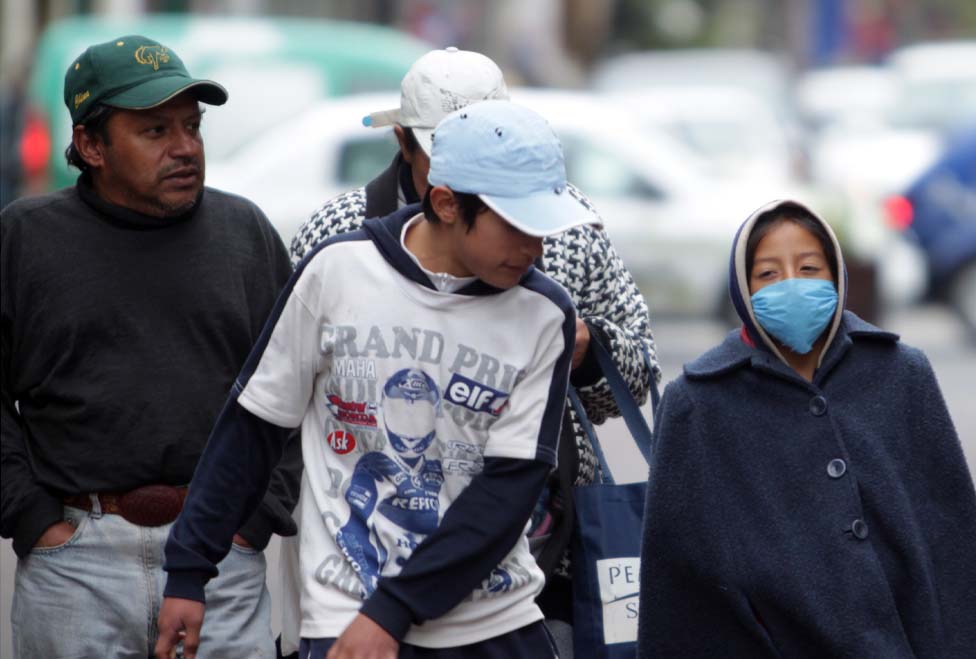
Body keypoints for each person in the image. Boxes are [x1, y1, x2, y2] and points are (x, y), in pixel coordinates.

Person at [155, 99, 602, 659]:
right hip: (346, 619)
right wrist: (190, 569)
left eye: (545, 229)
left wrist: (391, 611)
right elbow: (252, 431)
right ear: (446, 203)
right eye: (517, 226)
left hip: (490, 624)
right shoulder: (337, 271)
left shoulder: (544, 313)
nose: (534, 249)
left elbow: (506, 494)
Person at [288, 47, 660, 657]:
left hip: (539, 554)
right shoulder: (337, 238)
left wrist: (586, 349)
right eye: (441, 148)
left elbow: (639, 374)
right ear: (403, 142)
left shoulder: (564, 226)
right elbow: (278, 400)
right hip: (362, 572)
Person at [0, 35, 301, 658]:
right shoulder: (26, 239)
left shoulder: (244, 234)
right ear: (91, 145)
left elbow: (297, 388)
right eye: (155, 130)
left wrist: (253, 522)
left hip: (219, 560)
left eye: (192, 126)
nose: (185, 147)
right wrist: (32, 518)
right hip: (74, 568)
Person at [637, 199, 976, 658]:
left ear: (837, 276)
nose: (791, 285)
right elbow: (678, 583)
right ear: (742, 288)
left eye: (809, 268)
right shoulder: (697, 403)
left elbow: (952, 537)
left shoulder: (901, 373)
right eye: (768, 273)